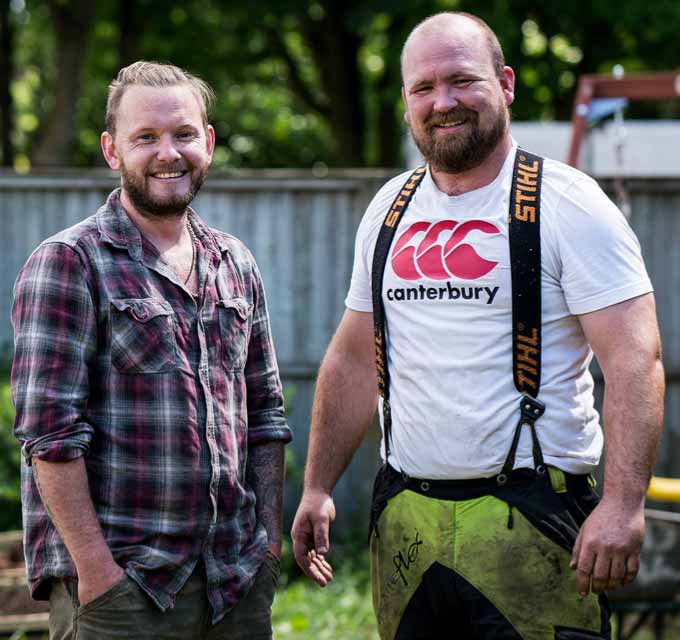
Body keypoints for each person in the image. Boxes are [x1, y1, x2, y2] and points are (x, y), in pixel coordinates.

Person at [291, 12, 664, 640]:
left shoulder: (568, 203)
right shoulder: (389, 207)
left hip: (531, 517)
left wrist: (623, 505)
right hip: (407, 519)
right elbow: (354, 358)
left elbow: (636, 360)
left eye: (462, 80)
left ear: (506, 83)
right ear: (406, 100)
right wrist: (316, 487)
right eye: (423, 88)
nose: (443, 102)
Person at [12, 61, 291, 640]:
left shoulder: (234, 263)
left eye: (184, 134)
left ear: (208, 142)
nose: (169, 152)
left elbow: (265, 415)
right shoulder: (69, 263)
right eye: (146, 138)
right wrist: (97, 574)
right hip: (126, 592)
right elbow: (49, 437)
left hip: (234, 584)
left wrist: (267, 543)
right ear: (113, 151)